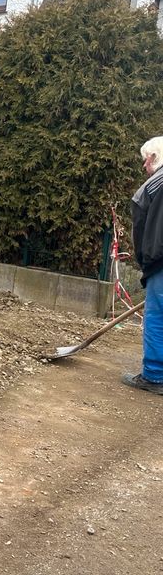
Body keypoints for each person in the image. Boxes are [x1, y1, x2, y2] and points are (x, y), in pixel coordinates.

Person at [123, 136, 163, 393]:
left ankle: (154, 375)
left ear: (153, 158)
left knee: (157, 316)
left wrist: (145, 264)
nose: (143, 167)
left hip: (160, 261)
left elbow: (139, 223)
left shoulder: (152, 185)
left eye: (144, 160)